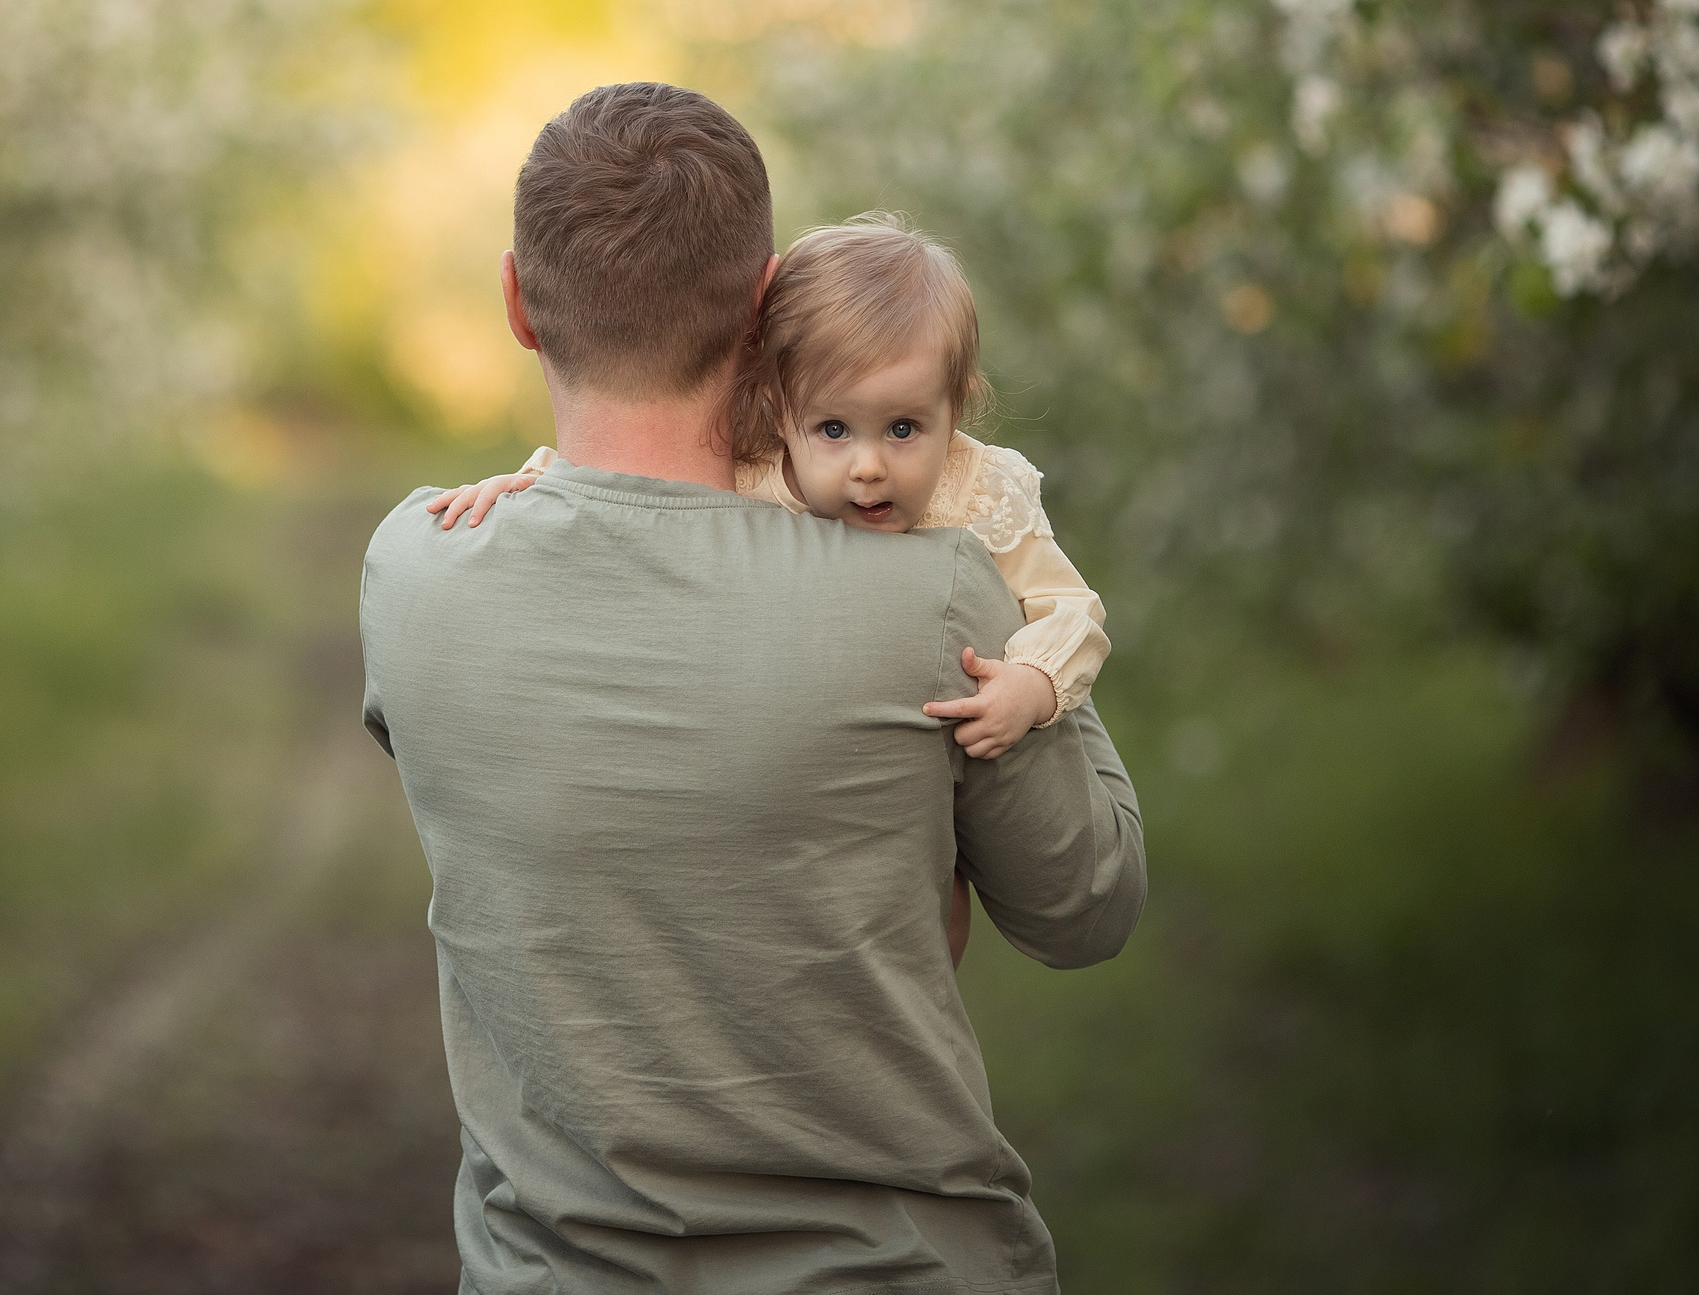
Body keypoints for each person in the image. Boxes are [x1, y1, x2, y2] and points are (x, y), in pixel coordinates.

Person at [359, 80, 1147, 1294]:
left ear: (518, 301)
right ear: (766, 300)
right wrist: (1007, 570)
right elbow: (1086, 903)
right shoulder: (935, 587)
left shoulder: (413, 567)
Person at [423, 212, 1111, 966]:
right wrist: (528, 482)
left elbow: (1070, 609)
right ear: (784, 411)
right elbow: (630, 485)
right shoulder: (753, 470)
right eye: (835, 429)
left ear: (957, 404)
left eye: (906, 428)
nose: (870, 467)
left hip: (921, 751)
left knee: (930, 914)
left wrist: (1034, 684)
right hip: (808, 746)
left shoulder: (979, 490)